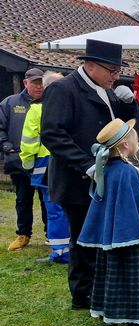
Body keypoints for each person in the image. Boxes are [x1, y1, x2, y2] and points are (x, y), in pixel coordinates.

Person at [42, 39, 137, 310]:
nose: (116, 76)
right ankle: (82, 295)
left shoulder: (106, 90)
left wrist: (129, 104)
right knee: (84, 237)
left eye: (118, 71)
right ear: (90, 65)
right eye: (112, 70)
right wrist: (87, 164)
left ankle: (102, 288)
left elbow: (119, 125)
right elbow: (52, 134)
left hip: (105, 176)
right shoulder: (64, 89)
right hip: (78, 178)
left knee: (101, 236)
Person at [77, 119, 139, 326]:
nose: (138, 142)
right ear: (125, 145)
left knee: (113, 273)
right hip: (131, 234)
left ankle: (116, 316)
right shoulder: (127, 172)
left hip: (111, 236)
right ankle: (131, 316)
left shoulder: (106, 170)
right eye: (135, 138)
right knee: (132, 272)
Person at [19, 71, 70, 264]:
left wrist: (27, 164)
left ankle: (60, 251)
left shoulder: (37, 109)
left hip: (45, 166)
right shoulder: (71, 107)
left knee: (54, 208)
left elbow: (29, 142)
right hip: (71, 162)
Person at [1, 68, 47, 251]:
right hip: (19, 161)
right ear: (25, 83)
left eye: (41, 82)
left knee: (47, 199)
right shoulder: (10, 103)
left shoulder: (51, 103)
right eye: (35, 82)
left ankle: (51, 234)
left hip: (44, 161)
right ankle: (23, 234)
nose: (39, 86)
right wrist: (6, 146)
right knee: (23, 199)